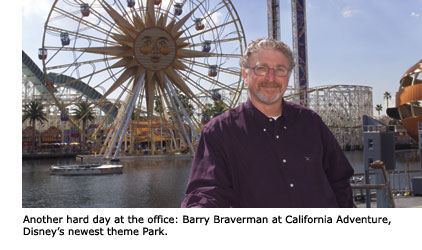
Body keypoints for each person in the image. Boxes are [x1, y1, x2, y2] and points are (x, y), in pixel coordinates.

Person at [181, 38, 354, 208]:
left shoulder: (311, 122)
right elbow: (207, 193)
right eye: (261, 68)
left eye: (280, 69)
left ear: (288, 76)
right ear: (245, 74)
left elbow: (340, 180)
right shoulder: (218, 133)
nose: (271, 78)